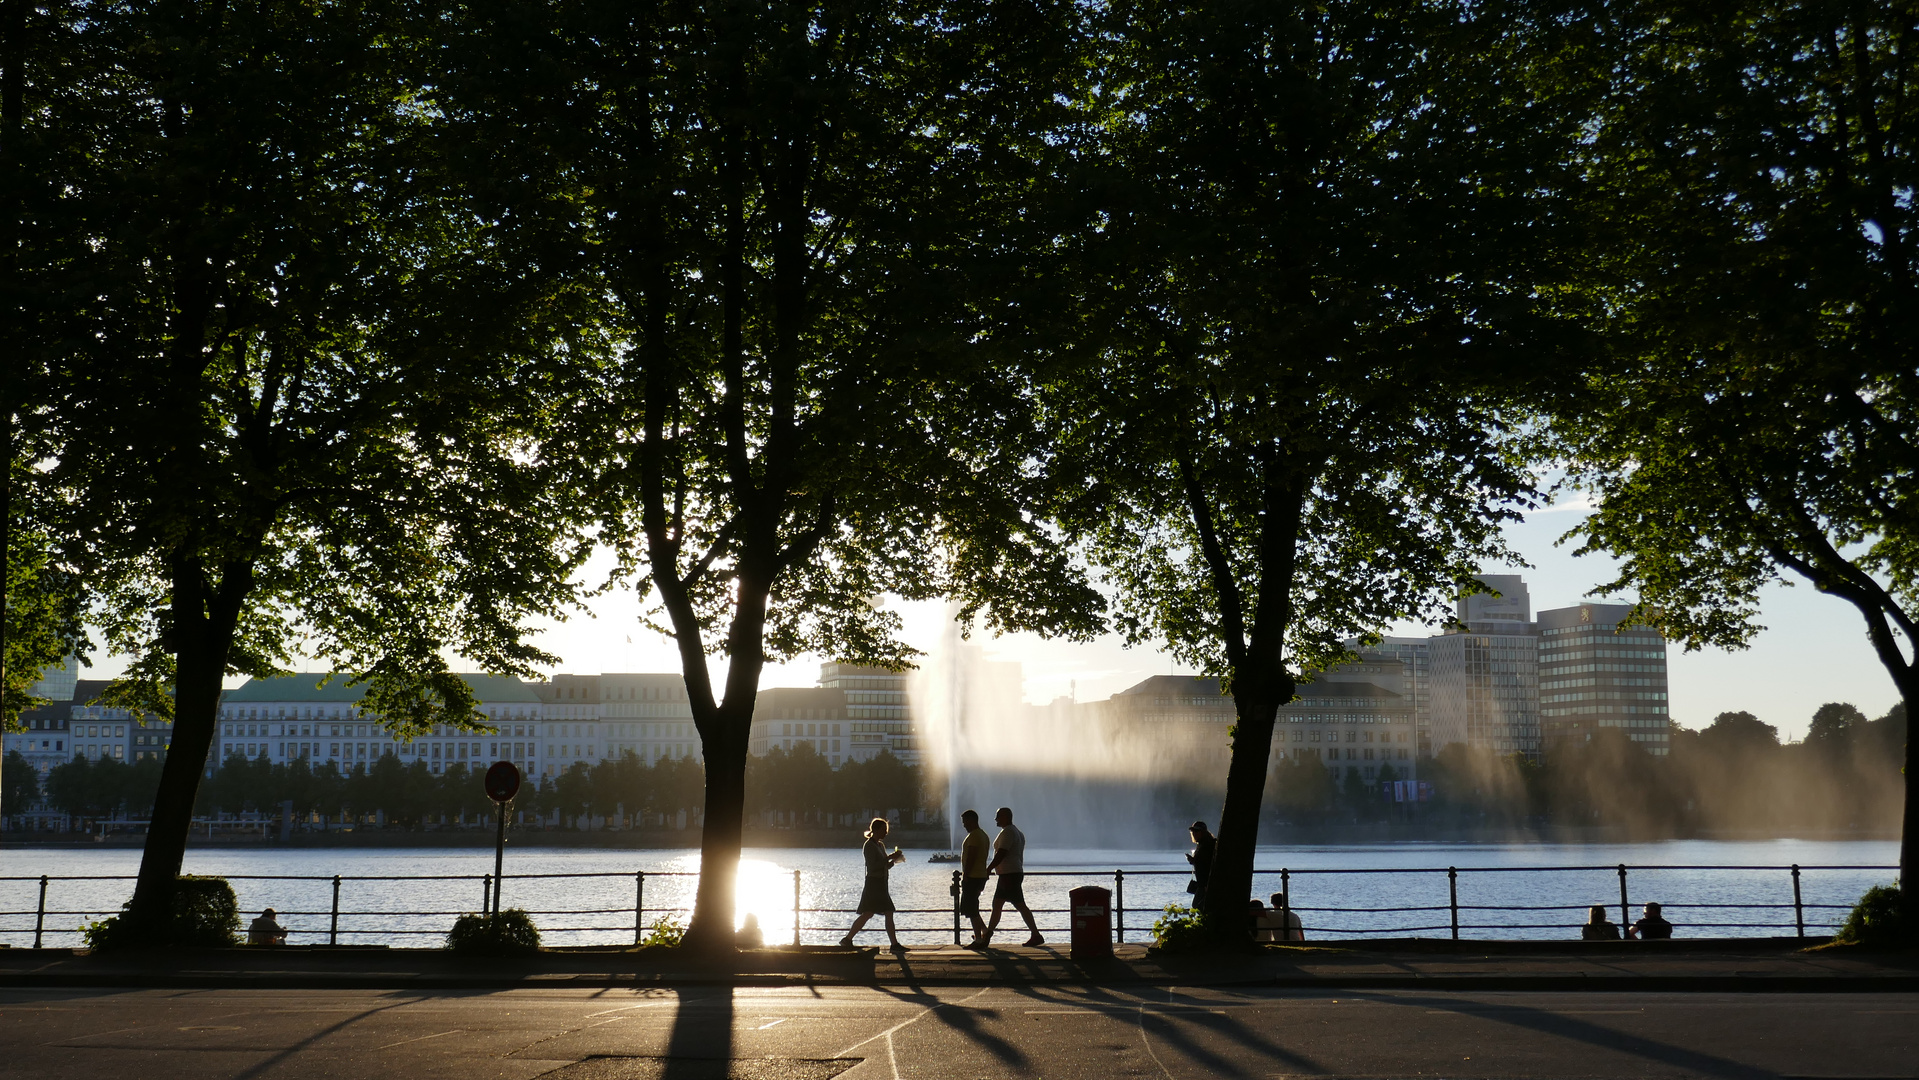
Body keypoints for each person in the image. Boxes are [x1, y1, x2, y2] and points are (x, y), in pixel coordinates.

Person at [840, 817, 908, 953]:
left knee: (873, 913)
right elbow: (873, 866)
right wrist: (889, 858)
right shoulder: (869, 846)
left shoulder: (880, 845)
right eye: (884, 830)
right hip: (873, 883)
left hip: (881, 883)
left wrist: (894, 860)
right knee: (875, 913)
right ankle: (893, 945)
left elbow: (884, 866)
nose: (886, 833)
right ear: (876, 830)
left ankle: (848, 939)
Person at [980, 806, 1043, 948]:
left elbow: (1001, 853)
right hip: (1012, 873)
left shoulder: (1008, 832)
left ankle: (1035, 934)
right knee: (1000, 904)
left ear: (1006, 817)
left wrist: (988, 869)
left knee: (1014, 905)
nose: (995, 819)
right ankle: (988, 935)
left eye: (998, 816)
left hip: (1008, 874)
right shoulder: (1017, 832)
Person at [958, 809, 992, 949]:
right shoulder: (983, 835)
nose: (964, 825)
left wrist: (965, 874)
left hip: (973, 876)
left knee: (971, 908)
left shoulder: (974, 836)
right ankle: (985, 931)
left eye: (965, 822)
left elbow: (971, 856)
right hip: (980, 875)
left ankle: (978, 939)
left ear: (971, 821)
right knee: (972, 907)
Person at [1185, 821, 1215, 910]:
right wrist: (1193, 860)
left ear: (1203, 832)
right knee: (1200, 905)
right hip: (1202, 882)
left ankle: (1206, 922)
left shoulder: (1208, 845)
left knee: (1198, 905)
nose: (1194, 834)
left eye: (1196, 832)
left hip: (1205, 883)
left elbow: (1206, 863)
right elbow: (1201, 862)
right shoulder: (1202, 844)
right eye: (1193, 832)